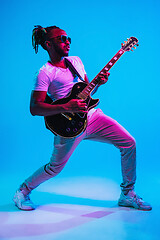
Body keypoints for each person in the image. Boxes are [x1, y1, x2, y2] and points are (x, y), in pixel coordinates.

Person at [13, 25, 152, 211]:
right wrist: (66, 106)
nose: (67, 41)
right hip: (68, 125)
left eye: (68, 38)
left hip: (92, 116)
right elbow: (34, 108)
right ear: (48, 44)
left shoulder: (75, 61)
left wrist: (99, 84)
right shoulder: (44, 73)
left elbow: (86, 90)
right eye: (61, 38)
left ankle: (127, 194)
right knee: (55, 168)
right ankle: (22, 191)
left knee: (129, 142)